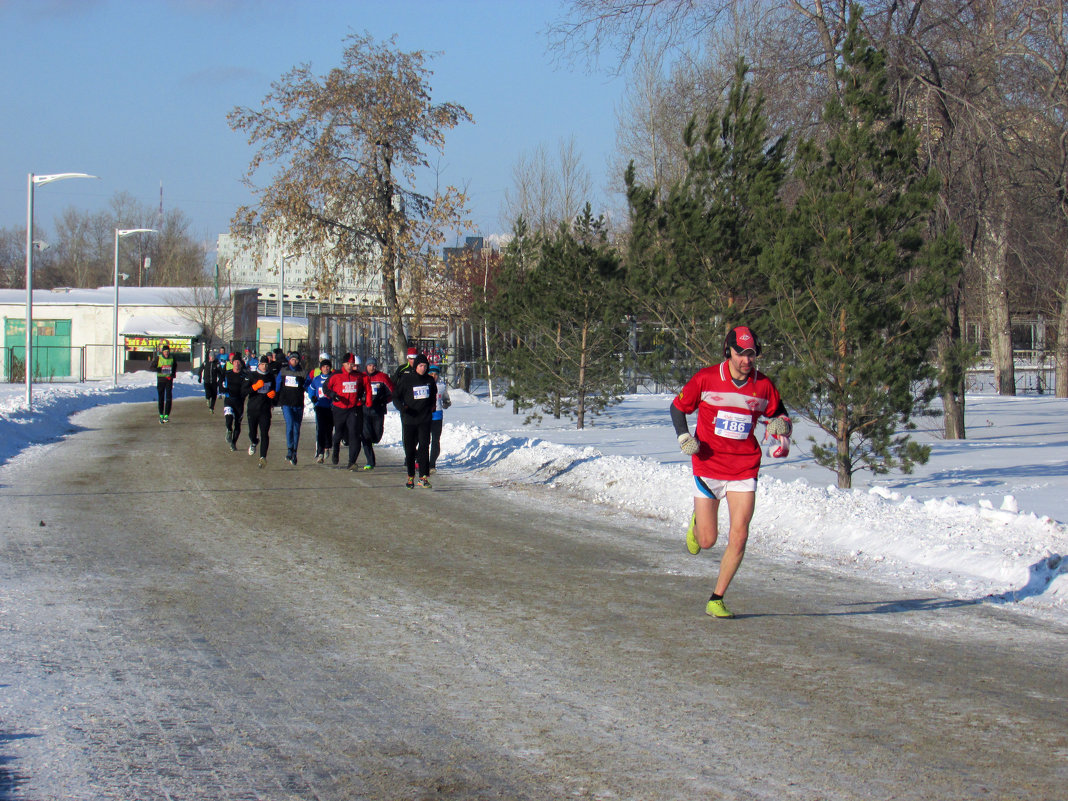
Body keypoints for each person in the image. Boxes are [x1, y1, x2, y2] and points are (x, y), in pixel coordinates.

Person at [670, 326, 791, 619]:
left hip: (744, 467)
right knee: (708, 541)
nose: (746, 360)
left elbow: (781, 416)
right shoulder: (707, 378)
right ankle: (698, 522)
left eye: (751, 354)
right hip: (708, 464)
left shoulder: (763, 386)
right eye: (741, 354)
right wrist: (684, 437)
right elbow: (677, 408)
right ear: (728, 351)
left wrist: (781, 427)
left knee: (740, 534)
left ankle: (717, 597)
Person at [393, 353, 436, 488]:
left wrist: (431, 407)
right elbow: (396, 396)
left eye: (425, 366)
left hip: (424, 419)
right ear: (416, 366)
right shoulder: (407, 379)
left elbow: (433, 396)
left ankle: (423, 477)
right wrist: (402, 408)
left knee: (424, 446)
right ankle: (410, 476)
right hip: (409, 419)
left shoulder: (429, 380)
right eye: (420, 366)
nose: (423, 368)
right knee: (410, 448)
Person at [323, 354, 371, 469]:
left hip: (353, 408)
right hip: (339, 408)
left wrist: (365, 399)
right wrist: (332, 395)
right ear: (343, 364)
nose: (350, 366)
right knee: (339, 433)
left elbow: (365, 387)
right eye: (348, 364)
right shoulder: (336, 375)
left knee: (354, 434)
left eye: (352, 364)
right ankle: (335, 449)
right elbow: (326, 387)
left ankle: (352, 462)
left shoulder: (358, 376)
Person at [360, 356, 394, 471]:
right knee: (365, 436)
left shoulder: (382, 377)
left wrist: (384, 400)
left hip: (378, 411)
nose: (372, 367)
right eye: (369, 365)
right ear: (366, 366)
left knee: (377, 435)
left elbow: (392, 392)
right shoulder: (361, 377)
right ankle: (370, 461)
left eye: (374, 365)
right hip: (364, 411)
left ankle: (373, 440)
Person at [275, 351, 307, 466]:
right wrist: (275, 399)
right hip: (286, 403)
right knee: (290, 424)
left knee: (297, 429)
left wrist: (306, 385)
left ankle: (294, 451)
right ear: (289, 360)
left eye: (297, 360)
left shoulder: (302, 372)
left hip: (298, 404)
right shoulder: (283, 371)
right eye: (293, 359)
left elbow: (307, 385)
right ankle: (289, 448)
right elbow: (277, 385)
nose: (295, 361)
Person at [245, 355, 277, 468]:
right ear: (258, 364)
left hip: (265, 410)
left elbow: (273, 391)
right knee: (252, 433)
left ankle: (263, 457)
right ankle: (254, 442)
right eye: (262, 364)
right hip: (253, 409)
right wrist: (254, 387)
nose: (264, 366)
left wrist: (273, 395)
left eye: (266, 364)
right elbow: (243, 391)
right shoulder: (252, 375)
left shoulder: (270, 377)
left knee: (265, 433)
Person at [306, 358, 334, 464]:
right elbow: (311, 390)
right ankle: (320, 452)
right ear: (321, 368)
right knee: (320, 429)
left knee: (329, 429)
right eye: (323, 367)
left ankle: (327, 447)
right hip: (320, 406)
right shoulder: (316, 379)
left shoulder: (333, 378)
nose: (326, 369)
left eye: (327, 367)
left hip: (331, 407)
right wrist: (312, 397)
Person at [221, 355, 248, 452]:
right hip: (229, 400)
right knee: (229, 418)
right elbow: (221, 382)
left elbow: (247, 387)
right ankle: (229, 429)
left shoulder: (244, 376)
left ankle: (233, 443)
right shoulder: (227, 373)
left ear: (241, 364)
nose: (237, 364)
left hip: (239, 402)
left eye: (238, 362)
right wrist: (222, 389)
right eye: (235, 362)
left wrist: (245, 393)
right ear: (232, 363)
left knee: (237, 424)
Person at [427, 364, 451, 473]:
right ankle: (423, 461)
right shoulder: (424, 384)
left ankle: (432, 464)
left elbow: (446, 398)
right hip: (425, 415)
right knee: (424, 440)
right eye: (431, 374)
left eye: (436, 374)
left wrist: (446, 402)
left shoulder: (441, 386)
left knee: (436, 441)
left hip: (437, 415)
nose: (434, 376)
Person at [149, 342, 177, 423]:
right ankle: (161, 414)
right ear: (162, 352)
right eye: (165, 352)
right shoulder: (158, 358)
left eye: (168, 352)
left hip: (168, 380)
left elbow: (174, 367)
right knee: (161, 398)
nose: (166, 353)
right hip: (161, 380)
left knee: (168, 398)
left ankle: (166, 415)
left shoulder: (172, 358)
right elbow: (151, 367)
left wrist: (172, 374)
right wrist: (159, 369)